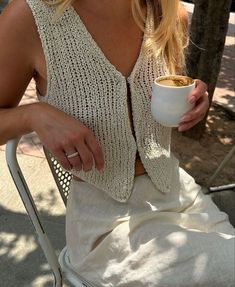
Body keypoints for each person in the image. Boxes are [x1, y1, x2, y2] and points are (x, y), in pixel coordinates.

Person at [0, 0, 234, 286]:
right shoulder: (31, 18)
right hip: (106, 225)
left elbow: (154, 110)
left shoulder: (168, 15)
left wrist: (193, 101)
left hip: (182, 198)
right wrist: (32, 115)